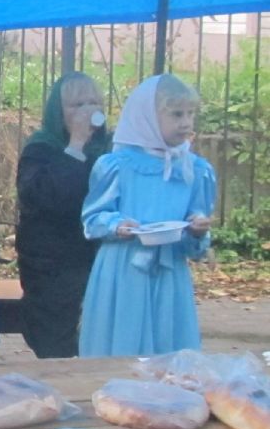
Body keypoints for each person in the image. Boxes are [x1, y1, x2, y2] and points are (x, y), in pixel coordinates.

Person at [79, 74, 215, 358]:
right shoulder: (117, 166)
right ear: (147, 117)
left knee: (170, 350)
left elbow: (195, 234)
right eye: (176, 114)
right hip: (123, 270)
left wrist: (198, 231)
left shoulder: (194, 169)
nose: (186, 123)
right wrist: (116, 225)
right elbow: (92, 218)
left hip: (170, 271)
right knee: (121, 344)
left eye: (190, 114)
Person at [15, 72, 111, 359]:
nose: (87, 111)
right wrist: (75, 146)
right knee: (54, 342)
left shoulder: (109, 150)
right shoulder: (40, 148)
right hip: (51, 263)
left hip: (95, 257)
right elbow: (45, 198)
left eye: (93, 103)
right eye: (77, 105)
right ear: (58, 112)